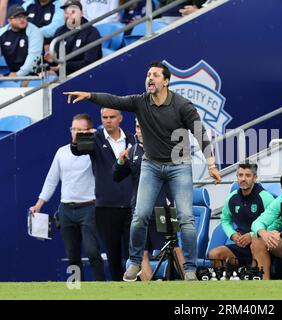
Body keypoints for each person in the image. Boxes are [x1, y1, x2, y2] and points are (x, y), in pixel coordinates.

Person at [63, 60, 221, 281]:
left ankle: (191, 269)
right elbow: (114, 100)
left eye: (155, 75)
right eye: (148, 74)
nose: (150, 78)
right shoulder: (140, 102)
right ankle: (135, 262)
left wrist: (211, 165)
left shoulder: (182, 105)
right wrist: (89, 95)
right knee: (140, 216)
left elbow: (199, 132)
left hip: (179, 165)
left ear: (166, 81)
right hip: (151, 165)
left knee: (186, 218)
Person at [29, 113, 105, 281]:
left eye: (80, 129)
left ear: (89, 130)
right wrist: (38, 204)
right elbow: (51, 179)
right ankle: (75, 291)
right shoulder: (61, 152)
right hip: (66, 210)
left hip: (89, 208)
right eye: (73, 129)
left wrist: (96, 137)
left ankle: (102, 289)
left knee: (93, 252)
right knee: (72, 255)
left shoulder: (96, 151)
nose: (76, 133)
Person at [113, 118, 183, 281]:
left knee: (173, 248)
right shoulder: (132, 151)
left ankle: (190, 283)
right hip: (139, 209)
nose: (138, 130)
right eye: (137, 126)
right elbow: (116, 176)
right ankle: (150, 290)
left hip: (163, 208)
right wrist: (120, 161)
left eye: (142, 127)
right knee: (141, 251)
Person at [71, 107, 135, 281]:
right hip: (106, 207)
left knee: (134, 253)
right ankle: (116, 289)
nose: (108, 120)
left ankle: (137, 291)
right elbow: (77, 150)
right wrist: (80, 136)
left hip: (131, 205)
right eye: (104, 117)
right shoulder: (95, 138)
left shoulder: (132, 138)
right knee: (113, 254)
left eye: (112, 117)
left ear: (120, 118)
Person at [208, 162, 274, 268]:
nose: (243, 179)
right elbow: (225, 220)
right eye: (240, 175)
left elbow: (277, 223)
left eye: (248, 175)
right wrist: (232, 235)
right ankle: (225, 282)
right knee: (215, 255)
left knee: (256, 244)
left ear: (255, 178)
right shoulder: (232, 197)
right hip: (242, 246)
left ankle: (259, 277)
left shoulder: (265, 197)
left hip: (262, 244)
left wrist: (253, 235)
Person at [45, 0, 102, 75]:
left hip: (84, 75)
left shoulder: (91, 32)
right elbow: (56, 60)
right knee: (41, 76)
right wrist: (52, 59)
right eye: (66, 12)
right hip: (61, 73)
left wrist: (65, 65)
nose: (68, 15)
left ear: (81, 13)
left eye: (73, 12)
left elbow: (90, 62)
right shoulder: (59, 31)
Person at [0, 4, 44, 77]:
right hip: (12, 72)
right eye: (17, 17)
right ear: (9, 20)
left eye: (24, 16)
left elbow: (33, 57)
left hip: (35, 72)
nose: (22, 19)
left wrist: (19, 74)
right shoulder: (2, 33)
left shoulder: (34, 32)